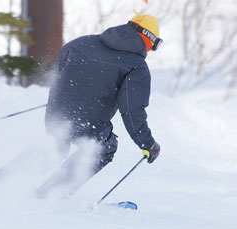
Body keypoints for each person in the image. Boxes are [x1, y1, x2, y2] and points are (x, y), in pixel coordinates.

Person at [35, 10, 161, 198]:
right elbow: (132, 109)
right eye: (154, 46)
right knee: (102, 148)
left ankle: (3, 181)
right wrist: (147, 144)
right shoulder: (136, 66)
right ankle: (50, 194)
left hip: (56, 112)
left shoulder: (81, 42)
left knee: (56, 147)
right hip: (88, 120)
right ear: (149, 39)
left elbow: (60, 75)